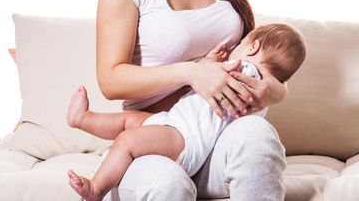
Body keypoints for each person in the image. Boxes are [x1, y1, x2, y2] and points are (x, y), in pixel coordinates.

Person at [93, 0, 290, 200]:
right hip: (158, 140)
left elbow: (258, 59)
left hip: (218, 136)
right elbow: (110, 81)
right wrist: (192, 71)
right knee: (169, 185)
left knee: (258, 136)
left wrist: (275, 91)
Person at [66, 23, 307, 201]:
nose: (236, 47)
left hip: (185, 139)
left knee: (128, 138)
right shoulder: (255, 87)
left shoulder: (242, 70)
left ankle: (96, 188)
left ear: (252, 47)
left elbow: (215, 75)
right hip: (176, 123)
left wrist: (208, 64)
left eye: (242, 43)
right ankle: (84, 119)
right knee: (131, 121)